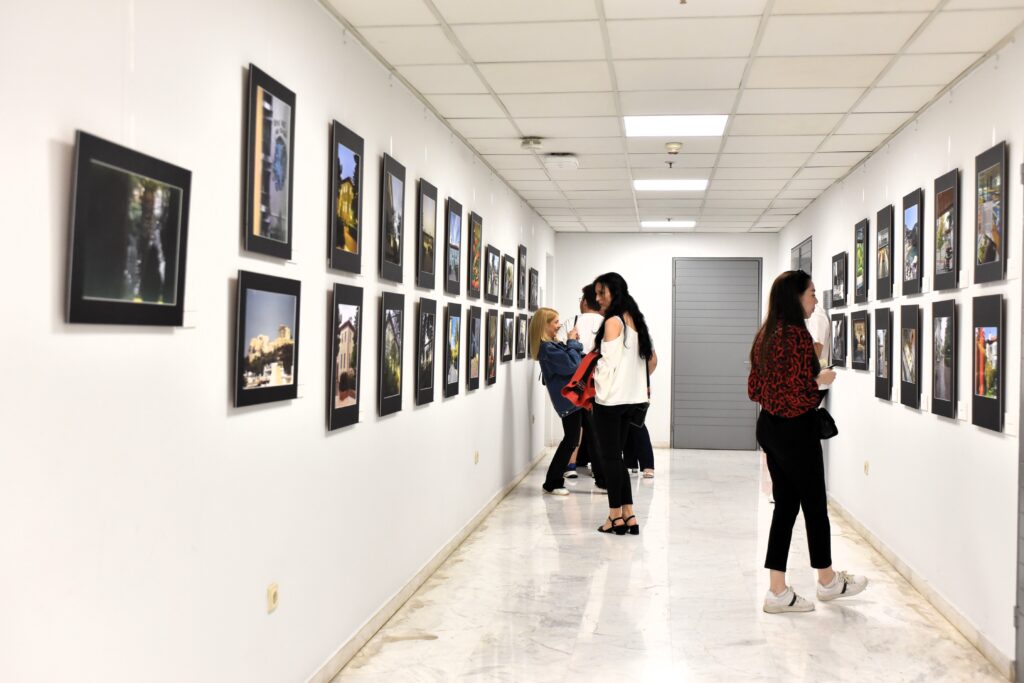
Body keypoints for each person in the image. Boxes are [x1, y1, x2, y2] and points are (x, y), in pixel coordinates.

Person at [748, 270, 868, 613]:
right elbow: (797, 395)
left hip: (770, 429)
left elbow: (755, 389)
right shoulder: (796, 337)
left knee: (786, 506)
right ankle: (828, 581)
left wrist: (803, 383)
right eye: (812, 293)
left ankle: (777, 589)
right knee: (815, 505)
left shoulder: (765, 335)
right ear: (795, 296)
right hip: (796, 431)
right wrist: (819, 380)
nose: (816, 300)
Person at [591, 273, 656, 535]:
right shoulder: (635, 321)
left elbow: (606, 366)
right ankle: (629, 514)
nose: (597, 299)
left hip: (611, 401)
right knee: (616, 458)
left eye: (601, 293)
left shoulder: (613, 322)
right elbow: (651, 361)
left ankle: (614, 516)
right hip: (633, 401)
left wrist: (594, 380)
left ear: (614, 293)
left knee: (609, 458)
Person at [529, 307, 597, 496]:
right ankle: (552, 482)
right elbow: (573, 365)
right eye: (556, 322)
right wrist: (572, 341)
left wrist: (572, 343)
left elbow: (576, 354)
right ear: (545, 326)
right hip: (569, 401)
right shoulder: (548, 348)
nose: (559, 325)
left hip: (575, 399)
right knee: (571, 439)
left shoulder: (553, 345)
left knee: (590, 435)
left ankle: (603, 479)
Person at [565, 285, 606, 486]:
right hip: (598, 381)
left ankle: (571, 465)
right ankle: (600, 473)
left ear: (584, 301)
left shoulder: (572, 323)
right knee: (596, 427)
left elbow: (563, 350)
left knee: (574, 426)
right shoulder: (608, 323)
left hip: (575, 380)